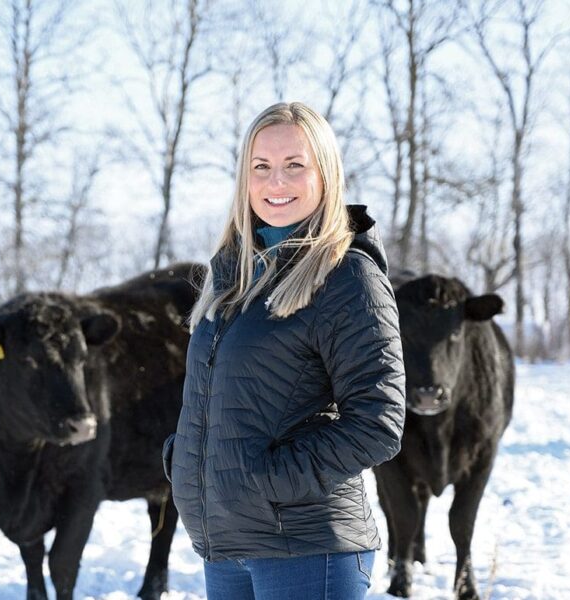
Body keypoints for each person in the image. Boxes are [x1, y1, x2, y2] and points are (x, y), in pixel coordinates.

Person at [163, 101, 406, 599]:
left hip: (307, 548)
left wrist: (265, 481)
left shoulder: (347, 277)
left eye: (295, 165)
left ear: (325, 174)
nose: (276, 183)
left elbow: (378, 422)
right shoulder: (235, 277)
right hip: (229, 542)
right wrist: (189, 463)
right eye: (262, 167)